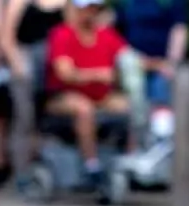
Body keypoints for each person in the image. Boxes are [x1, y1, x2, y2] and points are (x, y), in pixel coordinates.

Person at [47, 0, 132, 188]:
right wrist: (97, 75)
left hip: (100, 96)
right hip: (63, 97)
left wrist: (156, 65)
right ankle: (91, 166)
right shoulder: (62, 34)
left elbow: (128, 57)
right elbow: (65, 73)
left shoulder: (107, 35)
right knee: (84, 109)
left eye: (95, 8)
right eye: (88, 8)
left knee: (130, 106)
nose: (91, 13)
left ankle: (129, 161)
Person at [1, 0, 68, 184]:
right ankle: (21, 172)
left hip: (54, 67)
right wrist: (16, 63)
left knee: (46, 121)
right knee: (24, 119)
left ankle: (49, 172)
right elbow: (6, 35)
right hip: (26, 63)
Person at [114, 0, 189, 107]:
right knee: (135, 108)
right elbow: (117, 30)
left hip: (162, 65)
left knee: (161, 106)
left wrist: (172, 63)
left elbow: (179, 29)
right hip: (134, 64)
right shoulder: (126, 2)